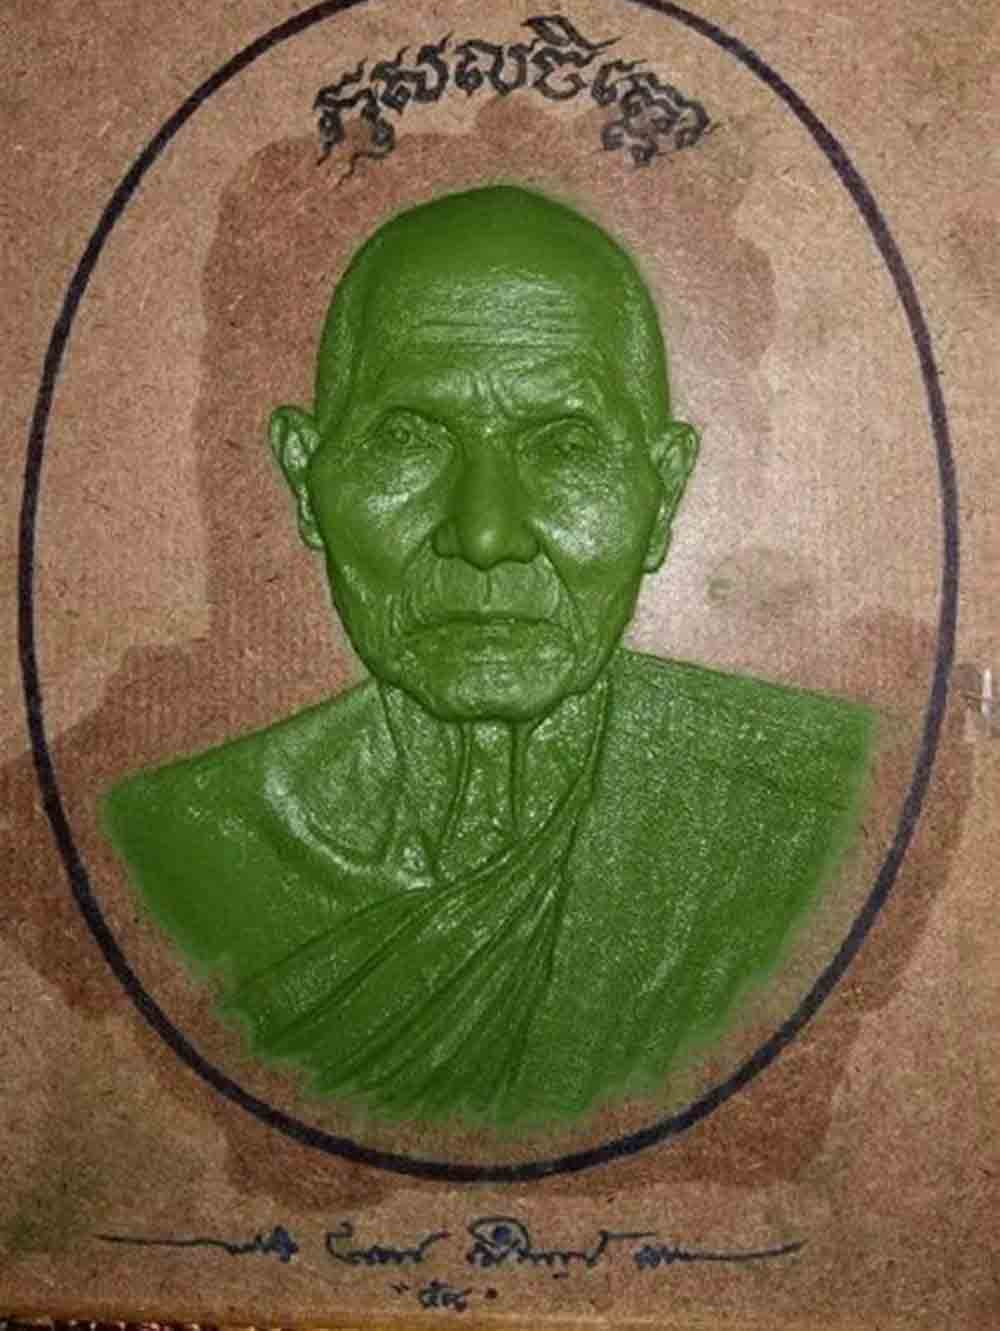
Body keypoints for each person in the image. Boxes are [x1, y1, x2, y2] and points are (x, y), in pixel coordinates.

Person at [104, 185, 872, 1129]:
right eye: (407, 438)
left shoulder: (820, 809)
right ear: (306, 480)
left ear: (664, 494)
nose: (485, 534)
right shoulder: (169, 841)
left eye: (565, 444)